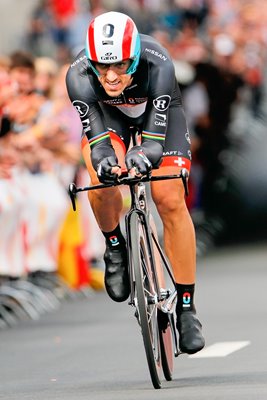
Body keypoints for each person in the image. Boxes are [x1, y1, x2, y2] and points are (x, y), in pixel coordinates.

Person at [66, 11, 205, 354]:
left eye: (121, 65)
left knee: (169, 197)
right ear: (91, 60)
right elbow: (98, 144)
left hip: (158, 118)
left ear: (136, 55)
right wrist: (108, 162)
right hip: (107, 116)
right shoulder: (78, 74)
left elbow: (155, 144)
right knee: (100, 177)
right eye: (103, 66)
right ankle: (115, 244)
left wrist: (142, 155)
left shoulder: (158, 63)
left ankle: (186, 308)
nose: (111, 76)